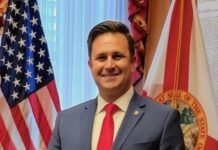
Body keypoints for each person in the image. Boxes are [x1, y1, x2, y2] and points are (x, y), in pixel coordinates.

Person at [48, 20, 185, 150]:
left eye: (117, 56)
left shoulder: (163, 119)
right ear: (90, 65)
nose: (109, 65)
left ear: (133, 62)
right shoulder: (65, 122)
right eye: (101, 58)